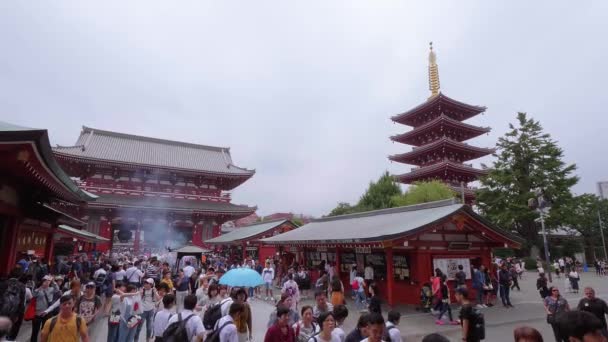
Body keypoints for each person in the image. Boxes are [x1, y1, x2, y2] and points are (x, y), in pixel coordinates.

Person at [30, 275, 58, 342]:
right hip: (38, 313)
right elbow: (33, 296)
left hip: (47, 313)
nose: (46, 282)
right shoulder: (38, 289)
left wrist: (53, 281)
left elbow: (57, 289)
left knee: (45, 330)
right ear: (42, 281)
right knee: (35, 331)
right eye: (45, 281)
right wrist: (40, 288)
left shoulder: (51, 289)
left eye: (48, 281)